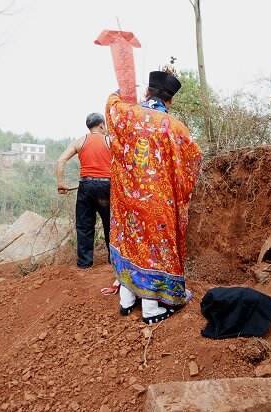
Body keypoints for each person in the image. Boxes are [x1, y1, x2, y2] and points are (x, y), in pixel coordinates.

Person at [105, 70, 202, 325]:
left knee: (130, 242)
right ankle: (150, 307)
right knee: (154, 250)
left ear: (147, 91)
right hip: (158, 201)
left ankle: (126, 300)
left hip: (128, 196)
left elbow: (111, 106)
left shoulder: (127, 113)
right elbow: (194, 157)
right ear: (170, 99)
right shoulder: (174, 126)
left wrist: (121, 91)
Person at [56, 113, 111, 269]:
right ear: (101, 125)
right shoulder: (109, 140)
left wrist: (61, 183)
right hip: (106, 186)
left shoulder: (80, 141)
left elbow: (61, 160)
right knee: (110, 223)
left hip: (85, 186)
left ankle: (85, 263)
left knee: (84, 225)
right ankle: (113, 260)